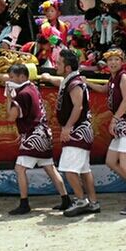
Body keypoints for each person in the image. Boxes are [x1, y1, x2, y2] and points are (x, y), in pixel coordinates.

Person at [0, 63, 71, 214]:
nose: (10, 80)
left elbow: (10, 117)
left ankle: (24, 203)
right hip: (44, 134)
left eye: (12, 78)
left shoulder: (22, 95)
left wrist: (8, 99)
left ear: (22, 77)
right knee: (50, 168)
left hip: (32, 136)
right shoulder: (33, 88)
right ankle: (65, 199)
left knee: (20, 169)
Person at [88, 48, 126, 215]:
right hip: (122, 124)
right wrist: (86, 82)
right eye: (110, 60)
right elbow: (102, 90)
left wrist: (114, 120)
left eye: (116, 59)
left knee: (125, 163)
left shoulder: (124, 76)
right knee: (111, 160)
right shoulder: (113, 78)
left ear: (122, 61)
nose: (113, 62)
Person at [41, 49, 99, 217]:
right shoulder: (72, 80)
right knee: (84, 170)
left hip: (77, 130)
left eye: (58, 63)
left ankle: (81, 201)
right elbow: (61, 82)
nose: (55, 65)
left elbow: (78, 106)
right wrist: (49, 78)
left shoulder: (75, 83)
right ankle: (93, 202)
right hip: (81, 129)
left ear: (67, 68)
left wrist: (68, 127)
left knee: (69, 169)